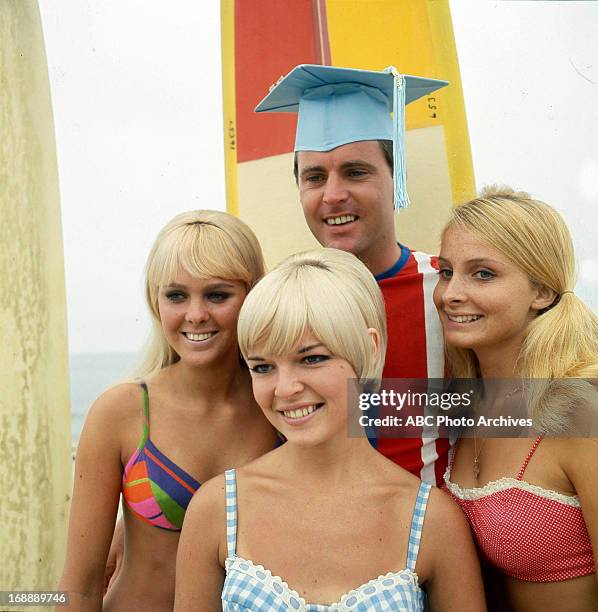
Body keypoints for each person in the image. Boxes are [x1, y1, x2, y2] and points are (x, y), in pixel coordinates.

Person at [174, 248, 486, 611]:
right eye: (262, 368)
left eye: (312, 359)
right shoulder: (217, 509)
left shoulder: (433, 519)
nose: (285, 389)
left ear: (368, 351)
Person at [59, 210, 279, 611]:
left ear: (253, 296)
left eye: (217, 294)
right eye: (177, 295)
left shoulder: (282, 409)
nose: (195, 314)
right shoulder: (121, 413)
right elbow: (79, 584)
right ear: (155, 301)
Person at [255, 64, 451, 484]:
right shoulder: (278, 305)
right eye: (314, 177)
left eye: (355, 172)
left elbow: (511, 416)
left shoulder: (449, 291)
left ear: (395, 173)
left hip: (432, 534)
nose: (333, 194)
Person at [436, 188, 598, 611]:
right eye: (446, 271)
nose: (451, 293)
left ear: (541, 291)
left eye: (483, 274)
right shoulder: (463, 405)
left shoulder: (581, 412)